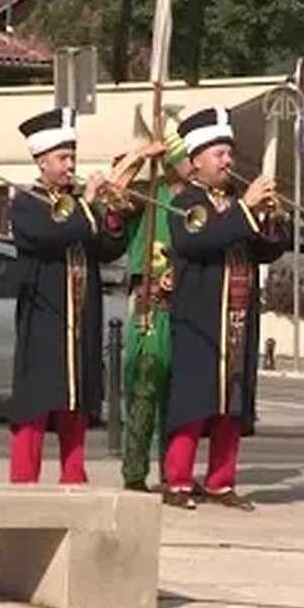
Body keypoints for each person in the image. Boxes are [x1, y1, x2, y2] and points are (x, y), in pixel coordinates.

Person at [162, 106, 286, 510]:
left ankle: (220, 481)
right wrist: (247, 210)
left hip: (238, 315)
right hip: (200, 318)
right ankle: (177, 480)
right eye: (219, 154)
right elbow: (198, 241)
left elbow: (265, 253)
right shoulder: (188, 201)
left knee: (231, 403)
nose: (229, 162)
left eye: (230, 154)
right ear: (196, 161)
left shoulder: (235, 203)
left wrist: (271, 221)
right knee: (195, 402)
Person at [8, 107, 126, 485]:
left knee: (77, 398)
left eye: (71, 156)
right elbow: (50, 235)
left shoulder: (79, 204)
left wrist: (111, 214)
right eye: (61, 158)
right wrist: (89, 207)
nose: (69, 164)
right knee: (38, 398)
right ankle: (24, 476)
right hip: (44, 313)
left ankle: (74, 473)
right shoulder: (27, 202)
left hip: (82, 311)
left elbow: (107, 248)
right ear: (42, 162)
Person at [121, 131, 192, 492]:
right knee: (143, 391)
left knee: (179, 399)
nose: (193, 163)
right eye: (186, 156)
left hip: (188, 310)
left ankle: (174, 473)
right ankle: (134, 473)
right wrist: (137, 158)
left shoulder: (201, 201)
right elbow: (112, 199)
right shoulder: (151, 195)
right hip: (151, 309)